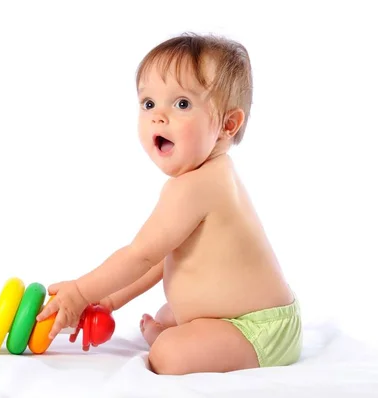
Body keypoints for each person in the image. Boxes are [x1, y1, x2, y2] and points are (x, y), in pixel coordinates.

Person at [36, 32, 302, 375]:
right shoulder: (209, 176)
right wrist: (110, 299)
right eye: (148, 104)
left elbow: (140, 255)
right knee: (167, 314)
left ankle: (191, 341)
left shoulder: (197, 186)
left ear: (227, 124)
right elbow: (161, 259)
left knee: (167, 354)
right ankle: (191, 333)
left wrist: (79, 293)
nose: (159, 117)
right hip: (239, 318)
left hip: (257, 330)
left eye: (181, 104)